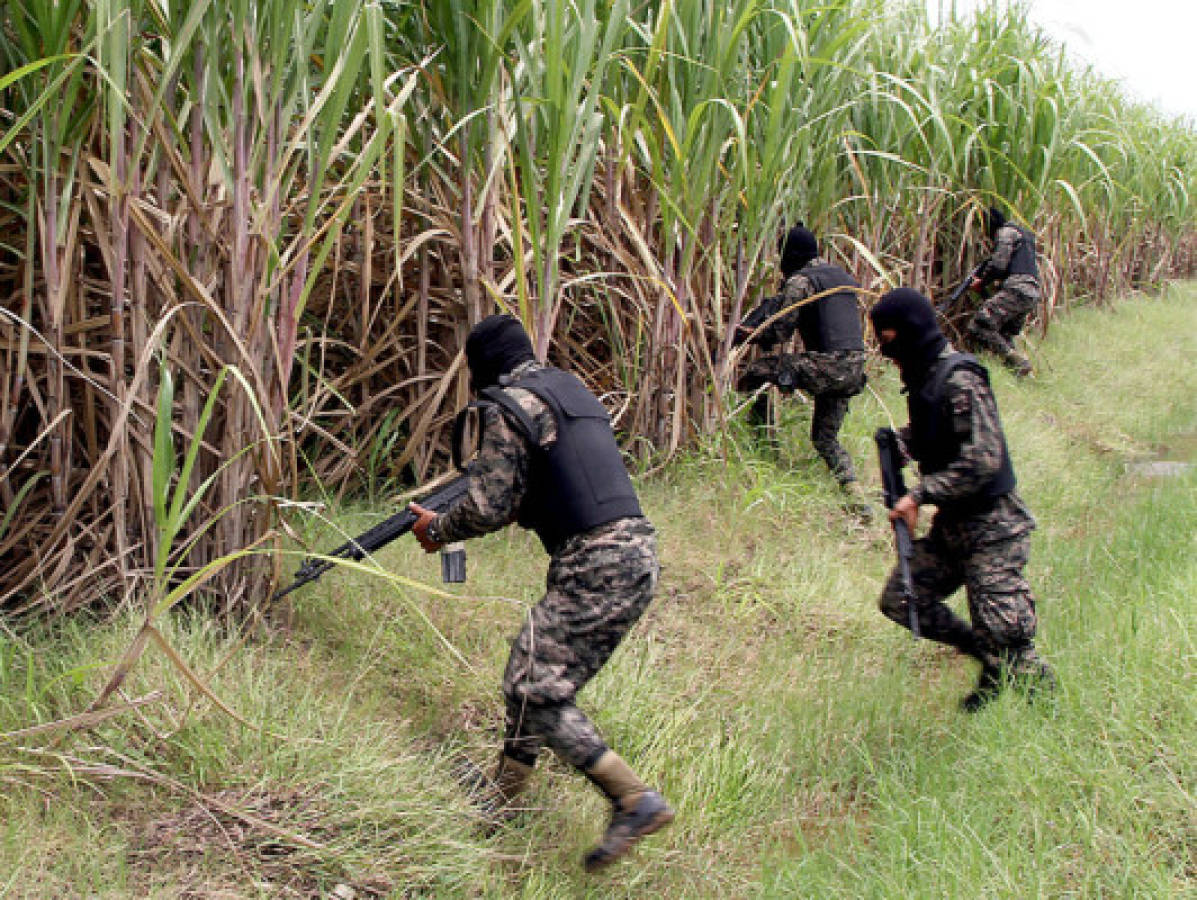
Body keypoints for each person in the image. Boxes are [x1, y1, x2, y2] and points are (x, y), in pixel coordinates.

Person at [409, 314, 673, 872]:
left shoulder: (508, 407)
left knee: (535, 687)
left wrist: (436, 530)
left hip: (596, 562)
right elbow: (557, 480)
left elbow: (489, 506)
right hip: (636, 554)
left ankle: (631, 797)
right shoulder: (569, 391)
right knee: (532, 672)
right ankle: (502, 800)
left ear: (484, 370)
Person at [867, 288, 1055, 711]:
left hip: (994, 530)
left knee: (1008, 638)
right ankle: (985, 659)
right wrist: (901, 444)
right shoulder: (926, 383)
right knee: (901, 598)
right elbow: (938, 434)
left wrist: (920, 493)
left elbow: (984, 460)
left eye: (891, 346)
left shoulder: (959, 378)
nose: (891, 360)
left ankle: (1052, 722)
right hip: (953, 528)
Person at [733, 224, 870, 511]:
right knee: (825, 439)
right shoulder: (841, 276)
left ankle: (764, 448)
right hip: (855, 368)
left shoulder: (802, 282)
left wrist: (744, 333)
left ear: (790, 256)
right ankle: (856, 494)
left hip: (829, 365)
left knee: (757, 372)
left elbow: (779, 331)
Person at [965, 206, 1040, 377]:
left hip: (1017, 289)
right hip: (1032, 292)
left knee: (979, 325)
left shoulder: (1006, 233)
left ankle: (1019, 362)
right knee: (1004, 333)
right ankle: (1023, 376)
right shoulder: (1025, 235)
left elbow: (999, 265)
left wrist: (981, 282)